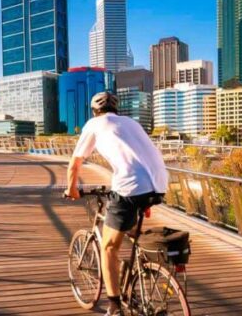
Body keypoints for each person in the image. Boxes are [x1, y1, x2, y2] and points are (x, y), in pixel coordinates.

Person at [64, 91, 168, 316]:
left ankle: (114, 306)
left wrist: (72, 189)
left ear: (94, 111)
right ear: (116, 109)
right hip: (158, 182)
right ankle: (140, 265)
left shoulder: (94, 124)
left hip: (131, 186)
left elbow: (75, 163)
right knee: (127, 224)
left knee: (109, 248)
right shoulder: (131, 123)